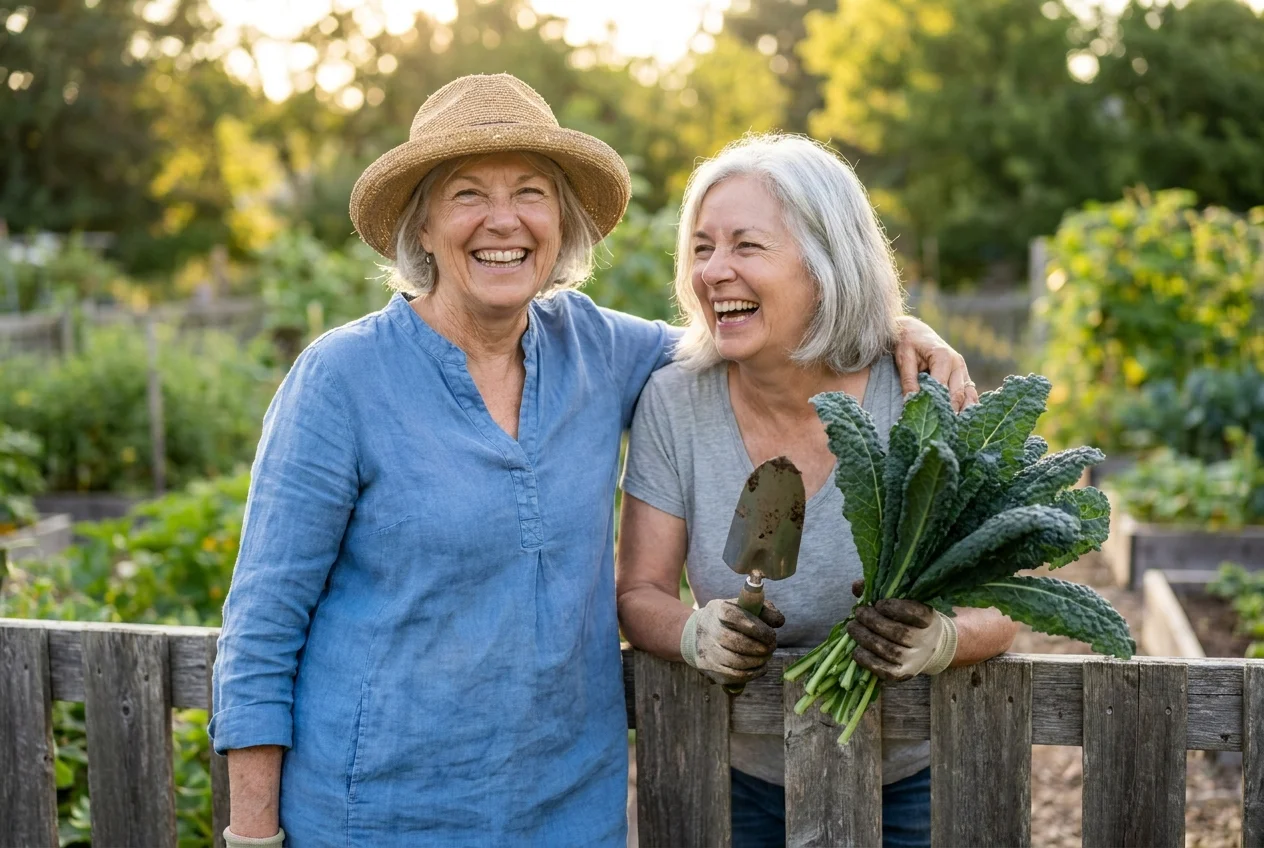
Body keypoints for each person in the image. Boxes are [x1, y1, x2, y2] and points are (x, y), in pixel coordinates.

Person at [209, 75, 974, 847]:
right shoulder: (341, 379)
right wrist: (252, 834)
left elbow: (752, 332)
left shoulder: (597, 348)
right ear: (423, 226)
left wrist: (894, 328)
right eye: (468, 194)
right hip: (380, 813)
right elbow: (264, 626)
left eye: (532, 193)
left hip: (568, 812)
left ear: (561, 222)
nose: (503, 221)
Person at [615, 133, 1018, 848]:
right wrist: (690, 631)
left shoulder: (917, 398)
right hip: (738, 775)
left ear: (827, 266)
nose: (714, 271)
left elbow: (1005, 603)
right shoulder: (675, 402)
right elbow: (639, 591)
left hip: (912, 780)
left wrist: (944, 639)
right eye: (702, 248)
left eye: (747, 246)